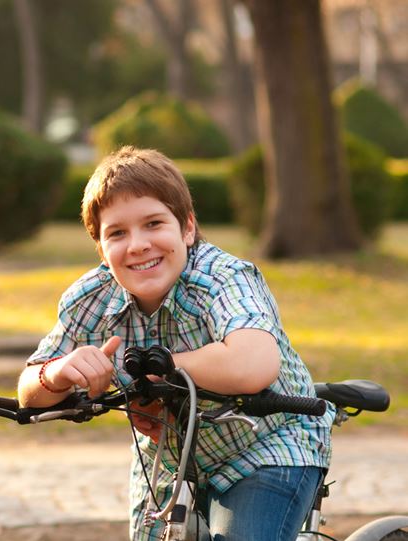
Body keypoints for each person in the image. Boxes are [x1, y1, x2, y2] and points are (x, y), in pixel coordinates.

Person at [17, 146, 333, 541]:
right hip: (169, 460)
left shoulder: (223, 278)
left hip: (267, 445)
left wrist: (163, 368)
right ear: (101, 248)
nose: (137, 245)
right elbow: (29, 391)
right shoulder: (90, 300)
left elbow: (254, 364)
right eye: (117, 233)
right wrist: (57, 373)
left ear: (187, 228)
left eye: (153, 224)